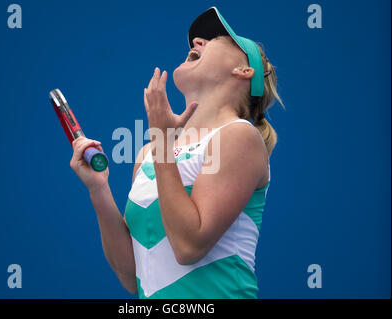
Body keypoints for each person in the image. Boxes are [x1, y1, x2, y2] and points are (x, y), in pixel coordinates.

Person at [70, 7, 284, 299]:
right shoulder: (149, 154)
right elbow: (134, 277)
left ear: (244, 71)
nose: (196, 41)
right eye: (196, 40)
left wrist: (161, 140)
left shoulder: (238, 135)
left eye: (216, 38)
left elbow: (188, 246)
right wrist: (99, 189)